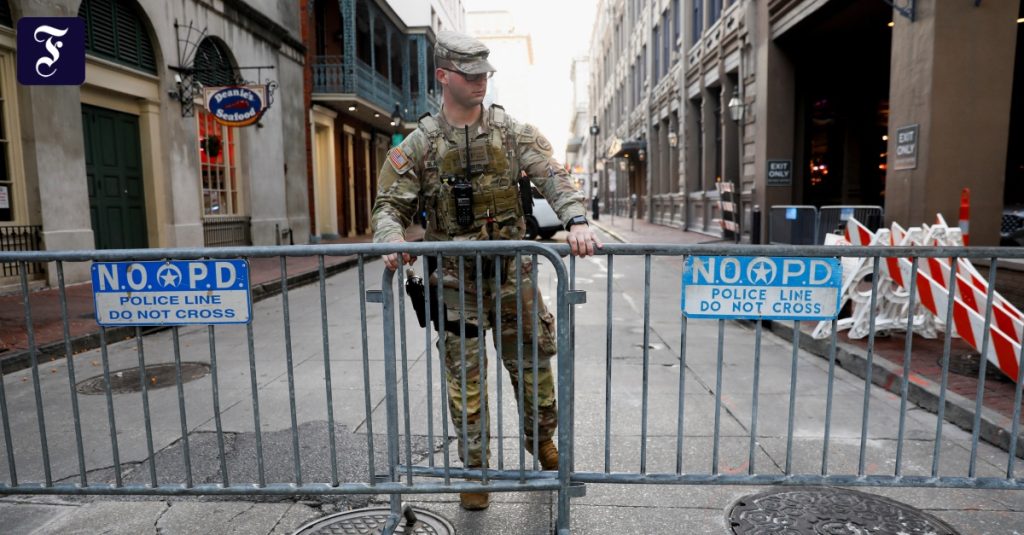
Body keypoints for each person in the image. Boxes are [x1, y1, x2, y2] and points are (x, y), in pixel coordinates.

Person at [371, 30, 602, 511]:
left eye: (484, 75)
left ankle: (541, 442)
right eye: (469, 75)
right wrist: (391, 239)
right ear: (443, 76)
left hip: (514, 279)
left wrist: (576, 218)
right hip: (455, 284)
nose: (479, 82)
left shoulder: (512, 132)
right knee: (466, 381)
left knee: (535, 369)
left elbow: (553, 176)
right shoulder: (420, 144)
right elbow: (388, 206)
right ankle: (475, 469)